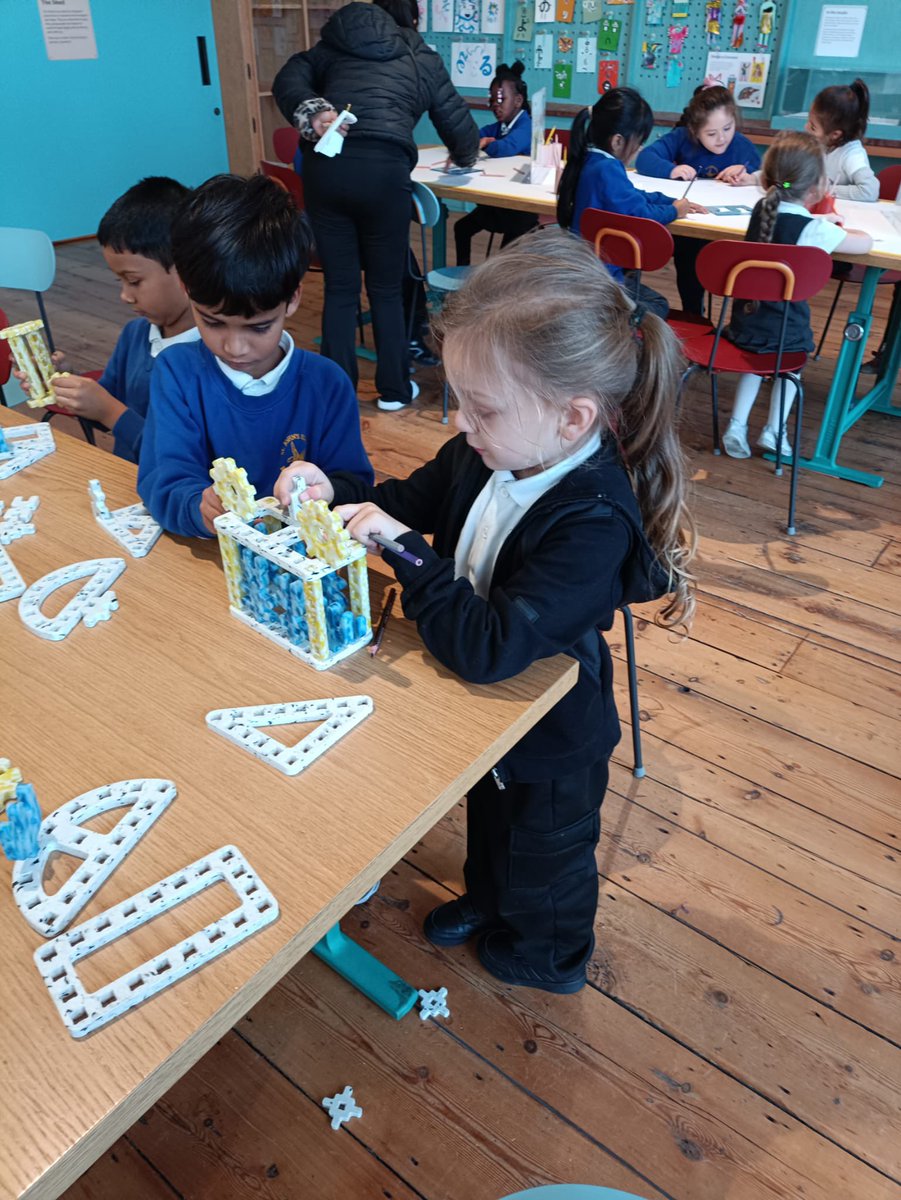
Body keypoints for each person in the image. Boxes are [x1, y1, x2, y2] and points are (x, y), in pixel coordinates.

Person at [274, 229, 696, 994]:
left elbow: (492, 646)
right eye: (458, 401)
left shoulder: (593, 522)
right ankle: (487, 899)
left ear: (571, 419)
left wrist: (405, 552)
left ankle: (548, 954)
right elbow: (407, 503)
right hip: (487, 722)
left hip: (553, 734)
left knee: (548, 859)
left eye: (480, 408)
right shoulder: (488, 449)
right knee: (490, 827)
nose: (459, 424)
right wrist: (334, 491)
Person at [137, 174, 373, 537]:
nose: (235, 347)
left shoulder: (326, 384)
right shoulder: (177, 372)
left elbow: (354, 483)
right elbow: (164, 481)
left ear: (292, 298)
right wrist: (198, 507)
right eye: (213, 322)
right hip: (211, 561)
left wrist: (328, 490)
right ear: (186, 289)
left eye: (259, 327)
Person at [272, 0, 479, 412]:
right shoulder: (419, 56)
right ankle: (395, 390)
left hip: (326, 172)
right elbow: (457, 122)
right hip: (385, 174)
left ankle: (337, 392)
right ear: (412, 17)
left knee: (341, 287)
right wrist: (466, 155)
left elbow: (287, 77)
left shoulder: (332, 45)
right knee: (386, 289)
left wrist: (313, 111)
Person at [13, 177, 196, 463]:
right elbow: (106, 407)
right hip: (126, 483)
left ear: (187, 270)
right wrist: (71, 387)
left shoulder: (212, 356)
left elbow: (182, 458)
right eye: (120, 281)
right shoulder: (136, 334)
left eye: (134, 281)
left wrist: (109, 411)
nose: (125, 295)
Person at [722, 131, 873, 460]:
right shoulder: (816, 230)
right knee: (789, 369)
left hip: (746, 323)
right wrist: (836, 227)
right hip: (786, 332)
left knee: (755, 364)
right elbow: (864, 244)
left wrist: (820, 221)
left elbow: (791, 220)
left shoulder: (762, 209)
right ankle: (775, 432)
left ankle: (736, 425)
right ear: (818, 186)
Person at [557, 87, 707, 319]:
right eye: (639, 142)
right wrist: (674, 211)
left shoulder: (592, 161)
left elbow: (633, 195)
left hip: (588, 267)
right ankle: (619, 330)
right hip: (601, 277)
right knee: (658, 305)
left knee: (641, 286)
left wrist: (669, 200)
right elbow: (640, 215)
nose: (640, 149)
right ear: (617, 141)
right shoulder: (607, 169)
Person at [636, 85, 761, 313]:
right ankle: (693, 312)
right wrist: (670, 170)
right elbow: (645, 158)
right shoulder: (682, 138)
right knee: (688, 257)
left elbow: (780, 181)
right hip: (693, 222)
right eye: (711, 134)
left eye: (728, 128)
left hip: (730, 228)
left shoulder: (741, 145)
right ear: (695, 130)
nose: (722, 138)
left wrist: (751, 175)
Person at [454, 62, 539, 267]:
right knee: (461, 228)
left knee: (502, 259)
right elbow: (477, 135)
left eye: (501, 100)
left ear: (518, 101)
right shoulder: (500, 126)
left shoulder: (528, 125)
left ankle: (499, 290)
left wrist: (486, 144)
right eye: (492, 100)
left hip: (521, 209)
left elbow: (506, 148)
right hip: (499, 204)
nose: (495, 105)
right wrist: (475, 141)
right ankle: (463, 276)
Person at [806, 77, 878, 202]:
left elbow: (869, 191)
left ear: (835, 134)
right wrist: (774, 181)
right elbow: (792, 184)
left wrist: (822, 189)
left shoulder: (852, 154)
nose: (806, 128)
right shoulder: (819, 145)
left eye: (813, 127)